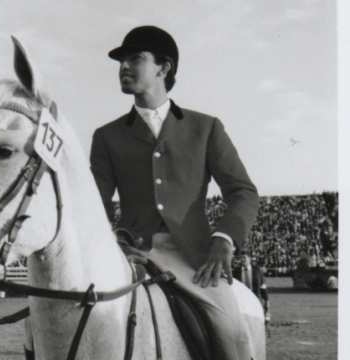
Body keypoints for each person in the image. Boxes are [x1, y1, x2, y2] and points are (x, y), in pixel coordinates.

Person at [90, 25, 259, 360]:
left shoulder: (206, 127)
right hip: (131, 257)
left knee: (234, 336)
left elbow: (243, 191)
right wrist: (114, 245)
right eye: (121, 60)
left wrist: (223, 240)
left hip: (196, 260)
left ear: (164, 68)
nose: (123, 66)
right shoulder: (106, 136)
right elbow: (96, 204)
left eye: (135, 58)